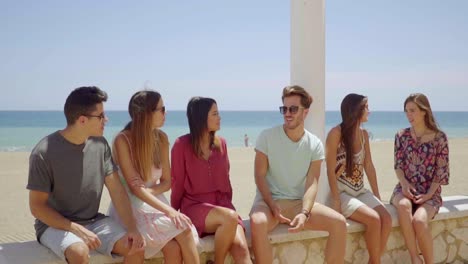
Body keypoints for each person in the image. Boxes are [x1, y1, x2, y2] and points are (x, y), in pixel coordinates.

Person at [27, 86, 145, 264]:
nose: (106, 120)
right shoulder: (43, 152)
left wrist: (132, 228)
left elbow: (117, 191)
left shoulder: (100, 144)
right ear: (82, 120)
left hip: (93, 221)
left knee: (135, 247)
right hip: (54, 225)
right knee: (79, 252)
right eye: (101, 116)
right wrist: (75, 228)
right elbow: (37, 207)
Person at [249, 85, 347, 264]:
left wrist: (304, 212)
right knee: (257, 222)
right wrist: (272, 205)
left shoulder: (314, 144)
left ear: (305, 112)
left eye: (293, 109)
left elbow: (312, 183)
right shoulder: (266, 137)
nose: (287, 113)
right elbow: (259, 175)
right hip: (269, 202)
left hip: (297, 203)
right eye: (284, 109)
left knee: (339, 223)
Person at [107, 90, 200, 263]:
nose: (166, 113)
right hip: (130, 207)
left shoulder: (162, 139)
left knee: (174, 246)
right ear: (146, 113)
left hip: (153, 202)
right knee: (184, 230)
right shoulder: (123, 140)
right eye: (162, 109)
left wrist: (148, 192)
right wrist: (170, 211)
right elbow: (134, 188)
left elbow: (167, 182)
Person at [171, 97, 252, 264]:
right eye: (215, 113)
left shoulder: (221, 143)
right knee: (230, 217)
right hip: (194, 207)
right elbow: (177, 184)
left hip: (223, 209)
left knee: (242, 249)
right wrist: (172, 213)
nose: (219, 117)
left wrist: (226, 206)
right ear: (201, 117)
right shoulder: (181, 145)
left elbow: (226, 179)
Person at [326, 93, 391, 263]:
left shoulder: (364, 135)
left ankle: (373, 260)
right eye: (366, 107)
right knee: (374, 220)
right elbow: (329, 170)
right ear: (356, 110)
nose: (369, 111)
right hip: (342, 193)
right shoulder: (335, 133)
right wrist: (335, 199)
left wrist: (377, 196)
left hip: (359, 191)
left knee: (387, 218)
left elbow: (368, 166)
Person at [391, 93, 449, 264]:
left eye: (413, 111)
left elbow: (442, 170)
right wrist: (404, 184)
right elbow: (398, 166)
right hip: (405, 188)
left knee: (419, 220)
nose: (409, 115)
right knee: (403, 205)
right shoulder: (401, 136)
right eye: (406, 111)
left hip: (430, 192)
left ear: (424, 111)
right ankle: (415, 258)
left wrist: (430, 194)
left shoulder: (440, 138)